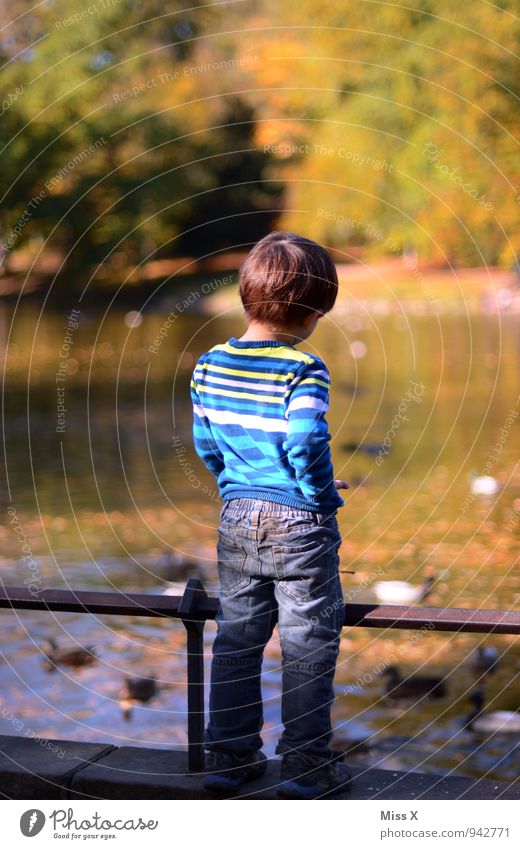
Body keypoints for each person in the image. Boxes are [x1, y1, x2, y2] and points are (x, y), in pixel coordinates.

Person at [190, 231, 351, 799]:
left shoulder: (210, 365)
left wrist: (235, 481)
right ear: (311, 310)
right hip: (300, 522)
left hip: (237, 514)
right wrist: (321, 493)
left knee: (237, 639)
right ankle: (306, 770)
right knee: (308, 641)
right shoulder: (304, 368)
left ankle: (230, 760)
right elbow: (306, 438)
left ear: (246, 296)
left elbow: (206, 442)